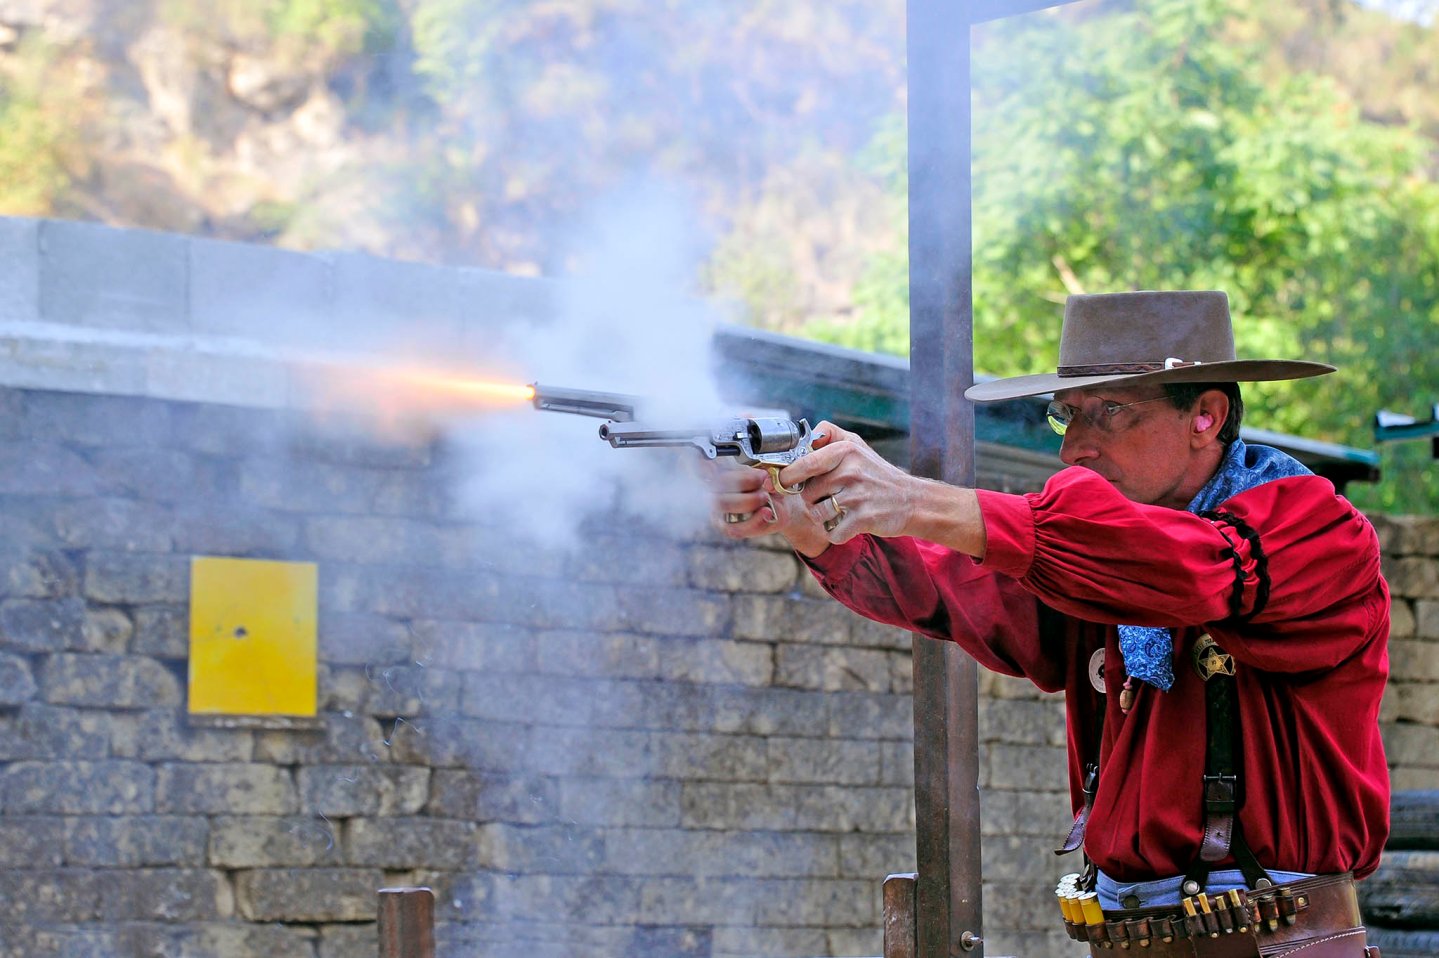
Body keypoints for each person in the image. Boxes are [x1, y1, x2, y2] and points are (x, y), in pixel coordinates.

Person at [713, 291, 1389, 957]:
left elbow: (1189, 571)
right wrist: (815, 525)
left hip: (1278, 947)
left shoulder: (1316, 530)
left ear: (1205, 415)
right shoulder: (1091, 560)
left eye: (1110, 411)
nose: (1075, 449)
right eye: (1067, 415)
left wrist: (909, 498)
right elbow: (959, 588)